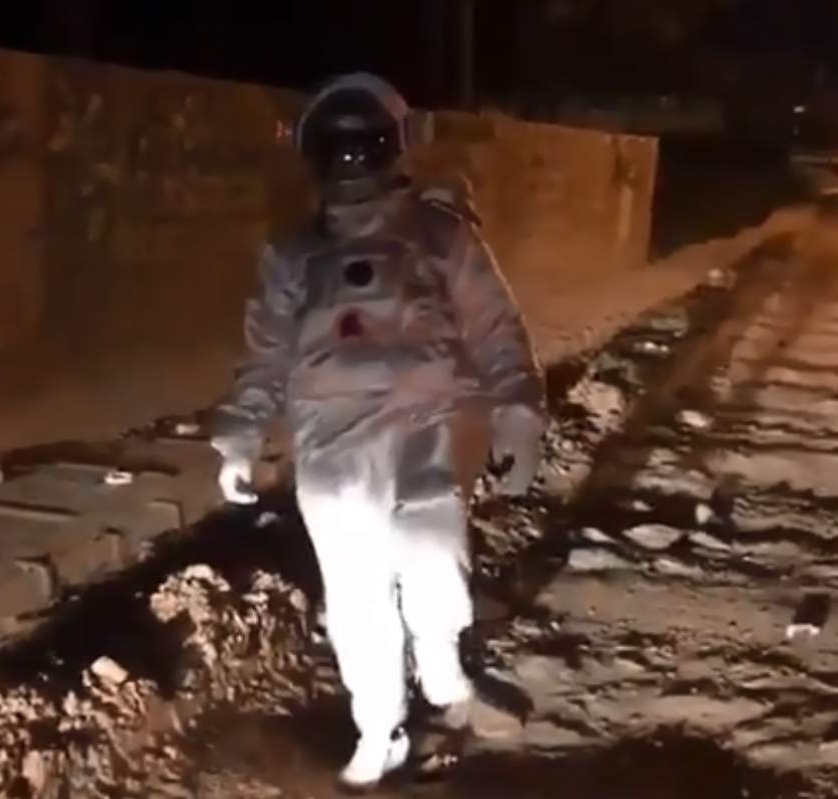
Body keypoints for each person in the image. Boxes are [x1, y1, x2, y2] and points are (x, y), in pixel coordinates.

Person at [209, 73, 545, 790]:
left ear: (393, 147)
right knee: (357, 593)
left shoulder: (439, 234)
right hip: (332, 441)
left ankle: (443, 668)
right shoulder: (295, 255)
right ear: (319, 159)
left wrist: (518, 406)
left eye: (365, 145)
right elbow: (266, 352)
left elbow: (493, 325)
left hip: (427, 419)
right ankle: (378, 728)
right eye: (341, 148)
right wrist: (239, 435)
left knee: (428, 541)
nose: (354, 161)